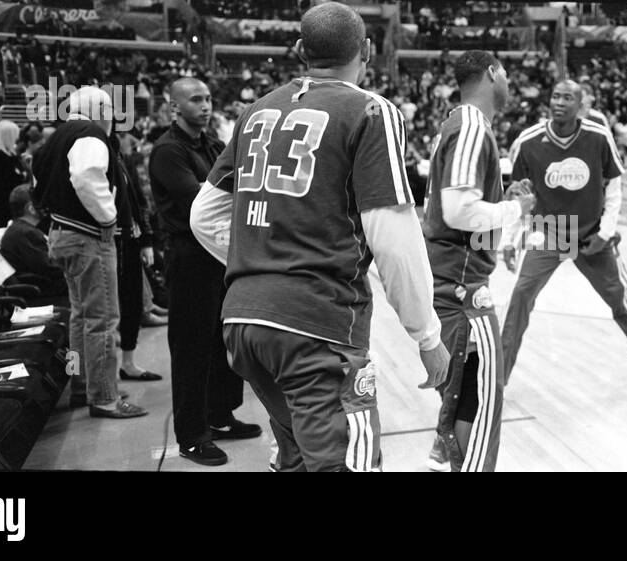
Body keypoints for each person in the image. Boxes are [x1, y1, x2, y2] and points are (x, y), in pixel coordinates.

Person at [188, 2, 450, 472]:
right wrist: (427, 336)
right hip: (316, 327)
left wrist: (263, 259)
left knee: (295, 459)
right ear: (368, 50)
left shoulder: (254, 111)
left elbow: (203, 215)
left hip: (244, 322)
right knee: (347, 462)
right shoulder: (371, 111)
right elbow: (392, 238)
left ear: (299, 50)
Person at [502, 79, 627, 384]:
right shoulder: (528, 141)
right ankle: (499, 377)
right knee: (521, 297)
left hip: (591, 234)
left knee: (619, 297)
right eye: (555, 96)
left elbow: (615, 187)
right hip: (548, 233)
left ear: (581, 106)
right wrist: (510, 240)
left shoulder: (598, 136)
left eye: (567, 98)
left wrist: (605, 233)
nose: (559, 102)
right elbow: (519, 195)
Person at [421, 51, 535, 473]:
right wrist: (516, 211)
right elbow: (458, 213)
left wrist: (503, 201)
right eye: (505, 73)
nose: (508, 81)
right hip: (460, 283)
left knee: (465, 388)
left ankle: (444, 452)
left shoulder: (460, 123)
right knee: (480, 391)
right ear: (491, 72)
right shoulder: (470, 124)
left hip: (451, 274)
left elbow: (461, 209)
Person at [150, 77, 259, 466]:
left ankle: (221, 415)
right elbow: (202, 195)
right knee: (192, 348)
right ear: (174, 107)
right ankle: (192, 435)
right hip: (188, 258)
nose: (205, 105)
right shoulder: (167, 151)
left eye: (209, 98)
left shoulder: (212, 143)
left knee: (223, 341)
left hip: (219, 254)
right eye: (196, 99)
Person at [32, 86, 146, 419]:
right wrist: (108, 216)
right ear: (97, 108)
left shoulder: (56, 136)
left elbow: (37, 184)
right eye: (110, 109)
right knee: (103, 319)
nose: (112, 116)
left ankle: (82, 384)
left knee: (80, 316)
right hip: (86, 236)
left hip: (60, 231)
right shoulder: (90, 134)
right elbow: (85, 176)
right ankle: (105, 397)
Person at [110, 132, 161, 385]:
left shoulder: (118, 155)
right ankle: (81, 378)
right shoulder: (82, 147)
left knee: (130, 305)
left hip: (127, 238)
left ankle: (126, 365)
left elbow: (136, 197)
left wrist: (145, 238)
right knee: (96, 318)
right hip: (104, 240)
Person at [0, 184, 67, 299]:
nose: (45, 205)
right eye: (41, 202)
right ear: (30, 208)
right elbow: (48, 267)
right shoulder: (25, 232)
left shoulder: (21, 229)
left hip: (40, 285)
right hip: (42, 291)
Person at [0, 120, 26, 228]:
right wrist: (22, 176)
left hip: (9, 198)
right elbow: (7, 179)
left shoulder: (10, 155)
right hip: (2, 200)